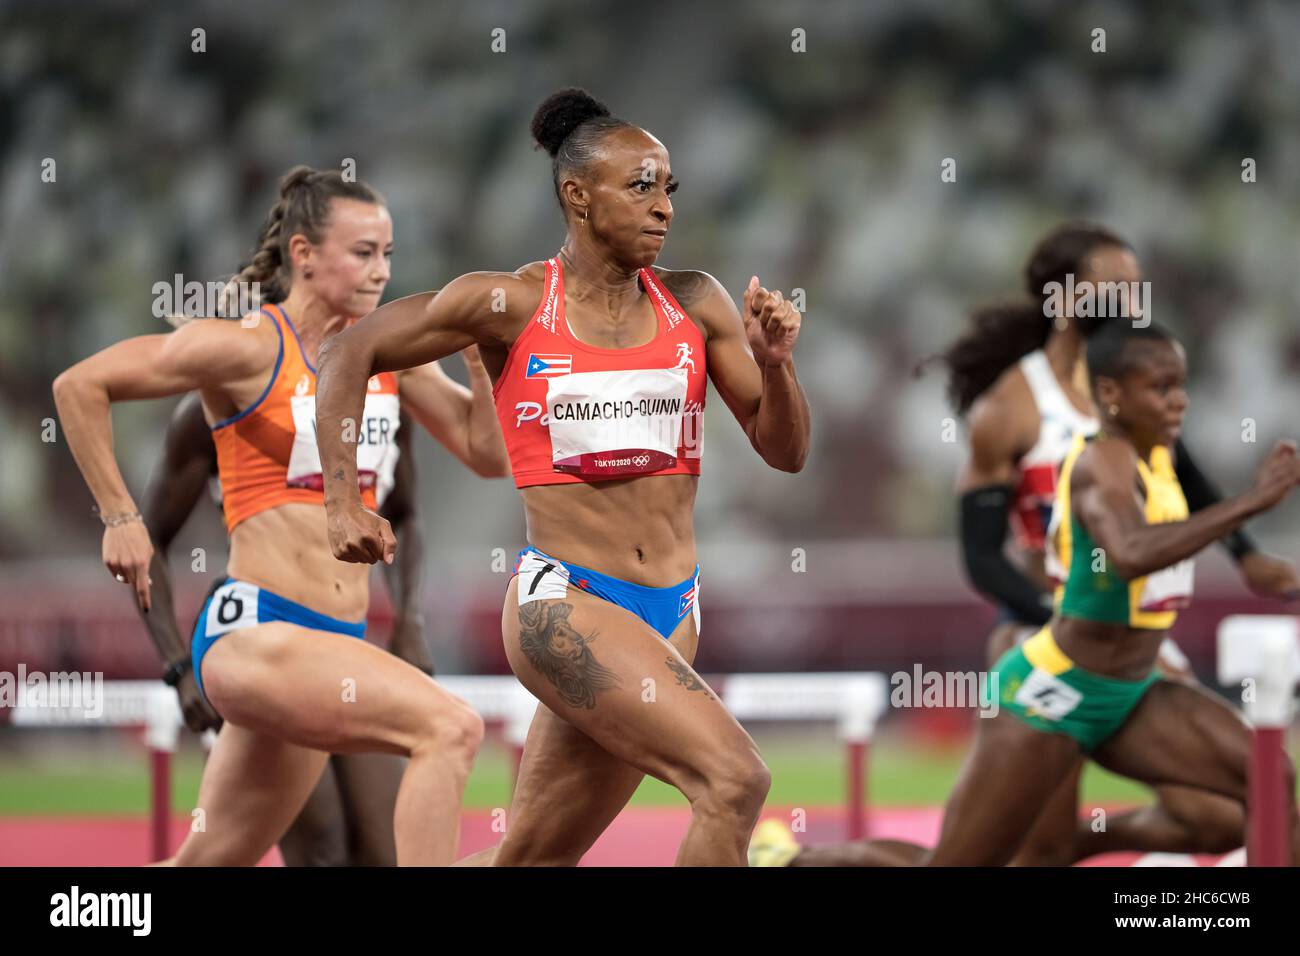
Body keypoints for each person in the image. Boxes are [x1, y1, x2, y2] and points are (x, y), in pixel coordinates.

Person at [314, 88, 811, 866]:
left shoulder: (697, 303)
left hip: (673, 609)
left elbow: (785, 451)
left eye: (668, 187)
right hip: (566, 603)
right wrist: (341, 500)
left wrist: (776, 367)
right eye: (640, 186)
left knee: (534, 857)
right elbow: (349, 351)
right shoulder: (511, 304)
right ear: (578, 196)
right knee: (734, 781)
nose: (664, 207)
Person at [752, 223, 1299, 867]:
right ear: (1064, 298)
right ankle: (787, 860)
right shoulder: (1013, 407)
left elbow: (1188, 481)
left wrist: (1247, 555)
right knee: (1012, 857)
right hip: (1048, 638)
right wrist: (1059, 615)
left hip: (1131, 645)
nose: (1134, 301)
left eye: (1138, 288)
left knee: (1227, 812)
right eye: (1116, 288)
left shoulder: (1140, 390)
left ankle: (1081, 842)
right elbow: (984, 556)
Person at [53, 165, 504, 865]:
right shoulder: (248, 348)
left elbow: (487, 455)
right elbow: (79, 385)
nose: (382, 271)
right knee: (451, 727)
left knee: (210, 860)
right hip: (255, 633)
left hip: (330, 643)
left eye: (388, 253)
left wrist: (479, 365)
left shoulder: (390, 357)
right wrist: (120, 517)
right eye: (363, 252)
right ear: (303, 254)